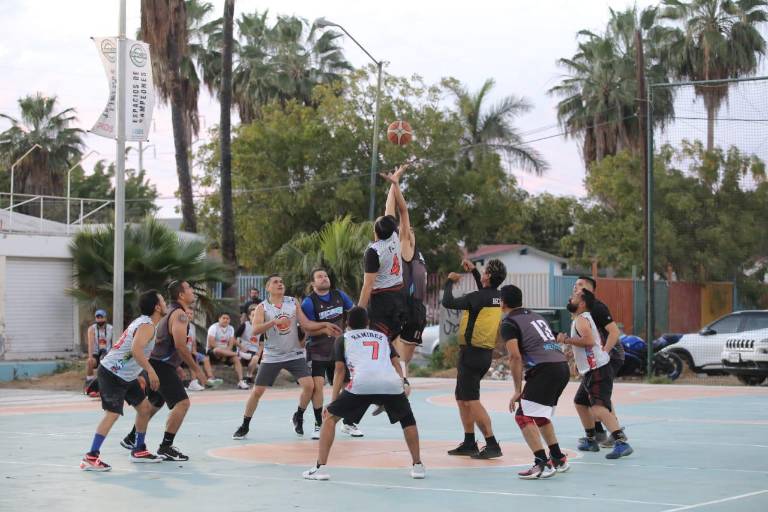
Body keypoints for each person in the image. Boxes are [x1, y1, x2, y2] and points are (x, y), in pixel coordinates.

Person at [303, 307, 425, 481]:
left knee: (329, 418)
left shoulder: (343, 339)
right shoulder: (382, 337)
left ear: (347, 323)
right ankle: (418, 465)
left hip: (362, 383)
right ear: (368, 322)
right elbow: (396, 363)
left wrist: (333, 402)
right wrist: (404, 382)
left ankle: (320, 468)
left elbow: (339, 371)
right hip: (390, 383)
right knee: (408, 420)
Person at [232, 274, 342, 440]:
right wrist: (273, 322)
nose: (280, 284)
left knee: (309, 386)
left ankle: (299, 415)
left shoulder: (292, 302)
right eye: (275, 282)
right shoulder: (263, 307)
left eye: (282, 282)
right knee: (257, 391)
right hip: (272, 355)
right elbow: (255, 330)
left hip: (293, 353)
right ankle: (244, 425)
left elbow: (306, 324)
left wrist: (324, 325)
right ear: (268, 287)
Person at [120, 280, 209, 462]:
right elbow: (180, 346)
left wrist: (176, 366)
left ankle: (132, 437)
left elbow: (164, 342)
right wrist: (197, 370)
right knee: (182, 403)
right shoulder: (180, 315)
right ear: (181, 295)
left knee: (156, 401)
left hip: (157, 363)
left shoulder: (169, 312)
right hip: (160, 366)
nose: (192, 291)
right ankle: (166, 447)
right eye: (189, 288)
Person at [79, 291, 166, 471]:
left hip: (125, 375)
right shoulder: (147, 326)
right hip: (112, 373)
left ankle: (139, 450)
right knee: (112, 414)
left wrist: (138, 374)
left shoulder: (144, 322)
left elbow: (130, 353)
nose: (166, 303)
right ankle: (90, 457)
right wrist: (150, 372)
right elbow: (135, 350)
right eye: (163, 301)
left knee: (144, 409)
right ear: (157, 307)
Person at [499, 285, 570, 479]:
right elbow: (550, 340)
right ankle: (558, 458)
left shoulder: (509, 323)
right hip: (561, 366)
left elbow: (514, 357)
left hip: (545, 369)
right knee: (538, 415)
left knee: (523, 416)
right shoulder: (536, 316)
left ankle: (542, 464)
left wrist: (517, 390)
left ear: (502, 303)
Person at [442, 258, 507, 459]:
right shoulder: (496, 296)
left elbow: (448, 302)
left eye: (484, 271)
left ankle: (492, 443)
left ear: (488, 276)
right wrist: (474, 272)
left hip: (471, 354)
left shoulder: (478, 297)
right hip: (482, 354)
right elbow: (483, 292)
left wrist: (449, 282)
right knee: (462, 398)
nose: (482, 273)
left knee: (471, 400)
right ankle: (469, 442)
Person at [558, 289, 633, 460]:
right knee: (580, 402)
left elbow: (589, 341)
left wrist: (566, 340)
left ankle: (621, 442)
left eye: (574, 296)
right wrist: (577, 362)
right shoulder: (581, 318)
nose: (570, 297)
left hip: (598, 369)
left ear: (582, 303)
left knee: (598, 408)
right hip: (591, 369)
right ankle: (591, 439)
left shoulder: (582, 319)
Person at [301, 268, 362, 439]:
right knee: (317, 386)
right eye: (320, 276)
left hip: (340, 349)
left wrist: (352, 330)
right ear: (313, 283)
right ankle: (318, 424)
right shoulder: (308, 303)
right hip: (318, 350)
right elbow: (308, 329)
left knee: (348, 385)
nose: (324, 278)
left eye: (326, 276)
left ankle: (348, 422)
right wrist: (324, 329)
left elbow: (354, 313)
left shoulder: (339, 295)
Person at [383, 165, 428, 384]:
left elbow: (396, 214)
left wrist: (395, 183)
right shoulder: (404, 248)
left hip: (413, 308)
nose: (406, 231)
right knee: (399, 364)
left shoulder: (413, 251)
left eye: (409, 230)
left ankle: (399, 386)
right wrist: (395, 184)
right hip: (407, 307)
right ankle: (398, 387)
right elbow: (396, 213)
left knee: (401, 362)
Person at [573, 276, 624, 449]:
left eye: (580, 285)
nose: (576, 287)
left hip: (611, 356)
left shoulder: (597, 307)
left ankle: (615, 435)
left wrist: (604, 353)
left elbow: (614, 332)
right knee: (586, 398)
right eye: (575, 285)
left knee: (599, 397)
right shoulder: (580, 310)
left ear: (590, 289)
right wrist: (579, 360)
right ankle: (599, 433)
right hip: (595, 359)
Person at [207, 312, 249, 389]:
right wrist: (224, 351)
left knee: (236, 359)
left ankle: (241, 381)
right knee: (217, 350)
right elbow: (211, 343)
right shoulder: (213, 327)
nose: (225, 320)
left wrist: (227, 351)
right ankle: (238, 354)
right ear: (219, 319)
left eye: (227, 318)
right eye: (223, 318)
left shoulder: (231, 328)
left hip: (227, 352)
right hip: (213, 351)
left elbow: (231, 344)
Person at [84, 309, 114, 396]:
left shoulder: (111, 328)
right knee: (90, 362)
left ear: (105, 318)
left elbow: (114, 343)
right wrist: (90, 357)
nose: (100, 319)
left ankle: (102, 387)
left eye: (101, 317)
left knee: (103, 362)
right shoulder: (92, 329)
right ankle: (89, 383)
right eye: (98, 317)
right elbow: (90, 344)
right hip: (96, 353)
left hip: (107, 353)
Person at [235, 303, 261, 384]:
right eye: (253, 315)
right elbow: (234, 338)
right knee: (255, 358)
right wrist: (240, 347)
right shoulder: (244, 325)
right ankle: (249, 376)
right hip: (245, 350)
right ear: (249, 316)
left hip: (255, 351)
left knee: (258, 357)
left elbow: (262, 343)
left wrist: (259, 352)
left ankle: (251, 375)